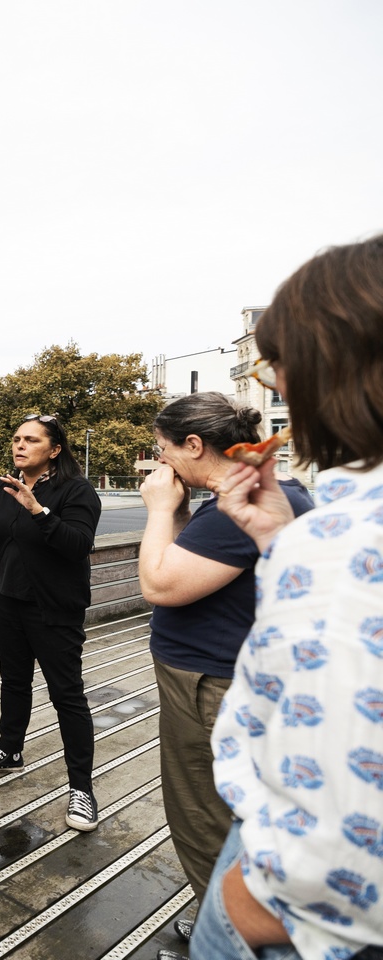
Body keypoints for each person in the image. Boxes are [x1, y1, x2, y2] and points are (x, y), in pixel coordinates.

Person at [199, 237, 383, 960]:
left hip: (297, 919)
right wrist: (281, 543)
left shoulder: (341, 544)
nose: (274, 385)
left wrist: (246, 907)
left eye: (282, 364)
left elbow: (350, 832)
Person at [137, 392, 314, 960]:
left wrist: (160, 510)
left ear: (194, 445)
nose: (161, 463)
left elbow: (161, 583)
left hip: (207, 685)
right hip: (226, 677)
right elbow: (197, 559)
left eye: (164, 451)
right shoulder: (265, 495)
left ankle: (226, 934)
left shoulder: (241, 507)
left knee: (202, 814)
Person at [0, 415, 103, 832]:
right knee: (14, 682)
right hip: (9, 601)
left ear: (55, 449)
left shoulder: (77, 491)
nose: (20, 445)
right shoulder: (2, 486)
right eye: (16, 439)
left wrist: (40, 510)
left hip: (53, 609)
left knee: (67, 695)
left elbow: (78, 545)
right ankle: (10, 751)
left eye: (31, 440)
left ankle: (81, 787)